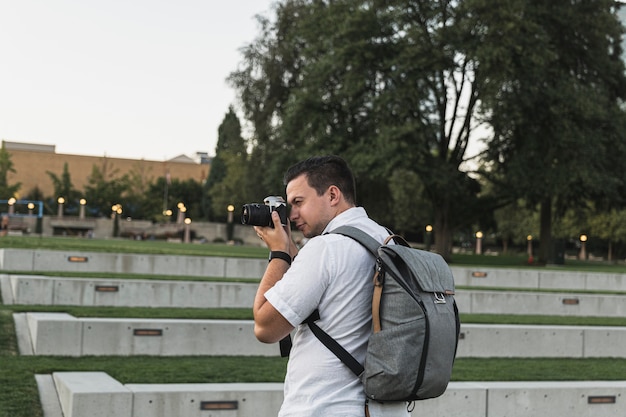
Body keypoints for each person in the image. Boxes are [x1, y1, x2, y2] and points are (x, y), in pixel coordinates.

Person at [253, 155, 410, 417]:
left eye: (298, 202)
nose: (291, 214)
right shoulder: (387, 241)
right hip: (382, 408)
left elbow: (265, 327)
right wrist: (290, 248)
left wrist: (279, 253)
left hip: (324, 407)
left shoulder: (326, 248)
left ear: (333, 195)